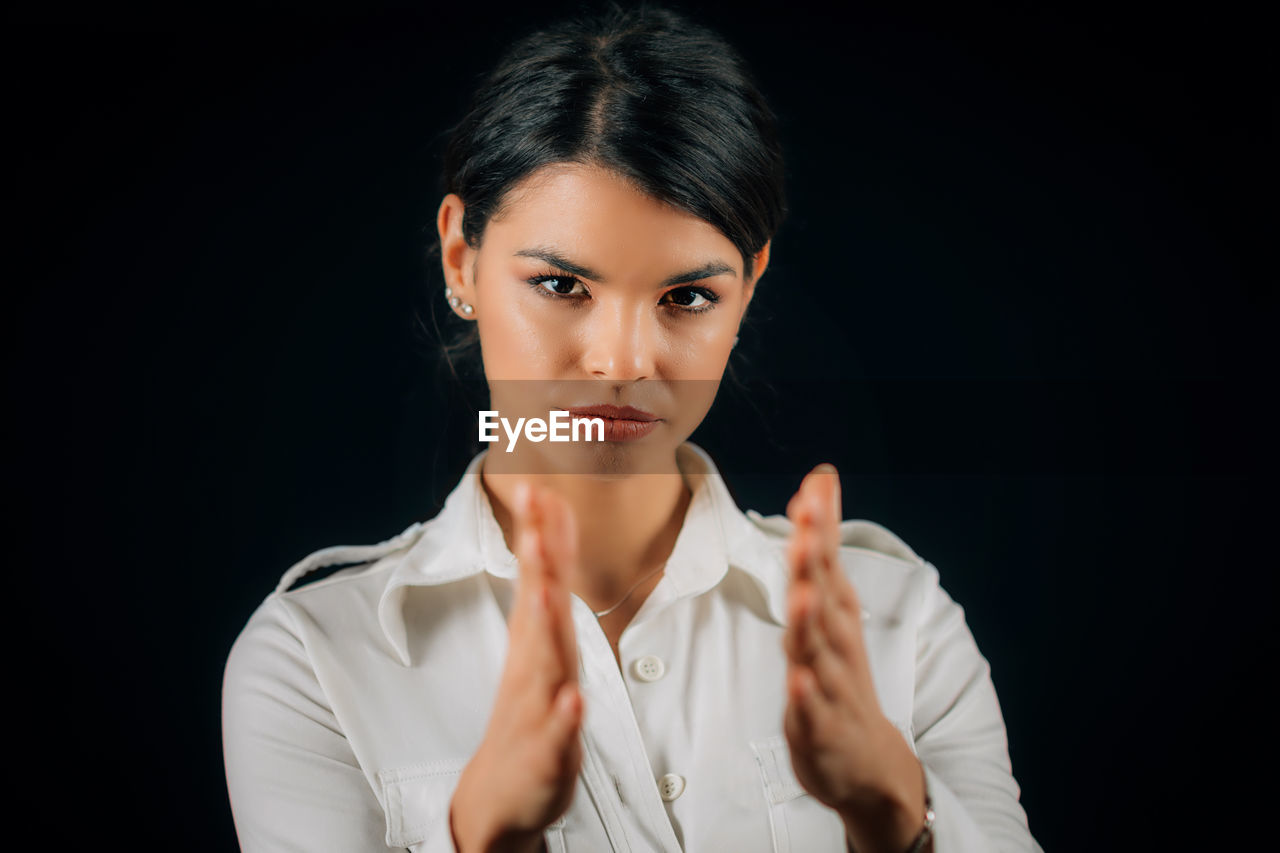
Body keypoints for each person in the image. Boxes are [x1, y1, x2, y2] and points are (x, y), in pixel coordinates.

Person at [221, 4, 1041, 851]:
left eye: (687, 297)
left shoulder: (900, 626)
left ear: (749, 287)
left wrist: (898, 814)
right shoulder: (317, 660)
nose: (624, 359)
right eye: (562, 285)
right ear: (461, 259)